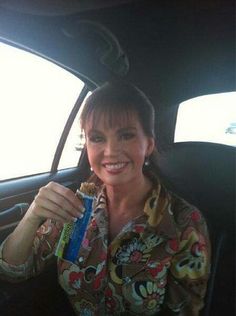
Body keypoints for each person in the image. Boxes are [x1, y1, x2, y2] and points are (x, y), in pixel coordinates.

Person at [0, 81, 211, 315]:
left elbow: (185, 311)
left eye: (126, 135)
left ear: (148, 144)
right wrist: (32, 215)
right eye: (97, 138)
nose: (110, 151)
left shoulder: (184, 223)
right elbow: (14, 271)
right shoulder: (77, 205)